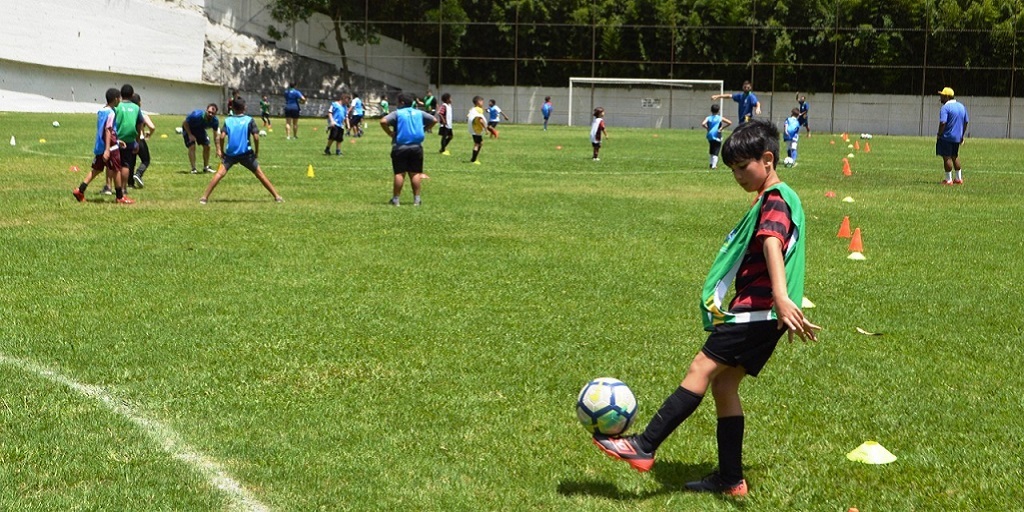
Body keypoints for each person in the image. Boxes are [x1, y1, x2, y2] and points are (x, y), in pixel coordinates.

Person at [592, 119, 819, 497]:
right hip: (764, 315)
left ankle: (644, 445)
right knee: (725, 384)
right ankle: (731, 479)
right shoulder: (778, 197)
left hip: (758, 310)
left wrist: (779, 296)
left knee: (702, 367)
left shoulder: (776, 198)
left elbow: (771, 244)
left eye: (742, 167)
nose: (737, 176)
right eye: (731, 169)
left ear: (767, 160)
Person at [200, 98, 283, 204]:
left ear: (232, 108)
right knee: (259, 174)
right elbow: (256, 137)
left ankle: (204, 197)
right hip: (246, 153)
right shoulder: (249, 120)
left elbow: (222, 136)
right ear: (245, 108)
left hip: (230, 154)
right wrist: (256, 151)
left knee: (220, 174)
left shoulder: (228, 120)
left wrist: (221, 150)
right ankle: (277, 196)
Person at [72, 88, 129, 203]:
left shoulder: (101, 111)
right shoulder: (111, 113)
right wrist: (108, 149)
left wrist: (117, 141)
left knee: (96, 170)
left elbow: (103, 130)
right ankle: (120, 197)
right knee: (117, 170)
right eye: (119, 98)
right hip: (110, 147)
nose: (120, 101)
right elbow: (108, 130)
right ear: (116, 99)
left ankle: (80, 190)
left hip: (100, 145)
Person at [379, 93, 437, 207]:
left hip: (400, 146)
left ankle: (396, 200)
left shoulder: (397, 113)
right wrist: (424, 129)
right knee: (415, 173)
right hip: (416, 147)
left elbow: (383, 121)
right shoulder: (419, 113)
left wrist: (390, 133)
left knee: (399, 173)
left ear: (401, 102)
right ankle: (416, 200)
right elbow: (434, 120)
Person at [114, 84, 143, 199]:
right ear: (132, 95)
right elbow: (139, 123)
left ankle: (113, 186)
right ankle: (124, 188)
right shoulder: (136, 108)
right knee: (126, 165)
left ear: (121, 95)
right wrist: (137, 141)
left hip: (117, 139)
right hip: (130, 139)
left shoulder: (117, 106)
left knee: (116, 165)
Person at [937, 87, 969, 185]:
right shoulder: (961, 106)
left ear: (947, 96)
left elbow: (943, 122)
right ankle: (959, 178)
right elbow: (966, 121)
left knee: (947, 158)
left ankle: (948, 180)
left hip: (946, 137)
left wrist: (939, 134)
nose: (940, 98)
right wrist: (961, 135)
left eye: (942, 96)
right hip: (956, 137)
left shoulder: (945, 108)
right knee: (955, 156)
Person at [182, 103, 220, 174]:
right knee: (192, 146)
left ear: (215, 114)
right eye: (209, 112)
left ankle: (206, 167)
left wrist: (218, 149)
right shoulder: (196, 115)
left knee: (207, 146)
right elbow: (185, 123)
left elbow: (216, 135)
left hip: (199, 129)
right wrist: (190, 135)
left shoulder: (215, 121)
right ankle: (193, 169)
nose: (210, 114)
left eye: (213, 113)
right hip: (189, 128)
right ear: (206, 110)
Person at [132, 93, 156, 188]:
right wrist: (149, 134)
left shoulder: (127, 112)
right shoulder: (142, 114)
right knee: (146, 160)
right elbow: (152, 127)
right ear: (139, 102)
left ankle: (130, 182)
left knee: (130, 162)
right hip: (140, 139)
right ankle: (138, 173)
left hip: (129, 139)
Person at [701, 104, 732, 169]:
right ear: (718, 110)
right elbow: (729, 122)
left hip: (710, 135)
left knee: (712, 149)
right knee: (716, 150)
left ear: (711, 110)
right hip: (717, 135)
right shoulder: (719, 118)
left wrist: (707, 128)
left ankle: (711, 163)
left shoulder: (708, 118)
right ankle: (714, 166)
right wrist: (722, 128)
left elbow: (703, 124)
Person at [467, 96, 488, 165]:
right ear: (478, 102)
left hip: (473, 129)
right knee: (477, 144)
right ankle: (473, 159)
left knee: (480, 143)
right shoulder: (479, 109)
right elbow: (481, 119)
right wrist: (485, 128)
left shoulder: (473, 109)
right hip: (477, 130)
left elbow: (468, 115)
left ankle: (474, 158)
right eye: (482, 101)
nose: (483, 103)